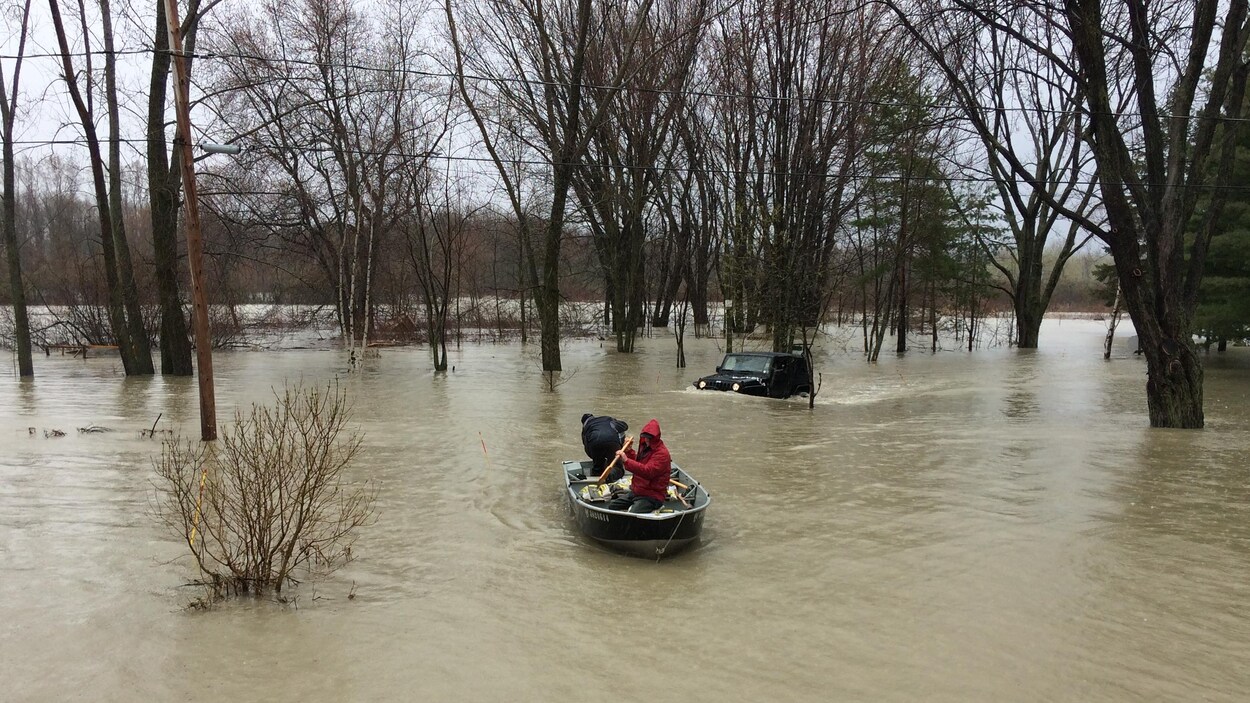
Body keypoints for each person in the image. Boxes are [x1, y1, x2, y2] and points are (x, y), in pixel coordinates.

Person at [607, 419, 671, 513]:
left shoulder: (662, 454)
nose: (647, 440)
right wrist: (629, 451)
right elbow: (639, 463)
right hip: (638, 491)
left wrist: (626, 460)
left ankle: (655, 507)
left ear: (655, 438)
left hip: (653, 495)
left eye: (650, 438)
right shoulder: (645, 447)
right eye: (645, 437)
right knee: (613, 506)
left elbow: (648, 471)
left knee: (633, 513)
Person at [581, 413, 629, 482]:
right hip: (612, 441)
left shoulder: (586, 428)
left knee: (597, 469)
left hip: (595, 443)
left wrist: (596, 457)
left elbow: (587, 447)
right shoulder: (607, 419)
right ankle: (612, 474)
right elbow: (625, 426)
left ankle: (596, 480)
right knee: (617, 467)